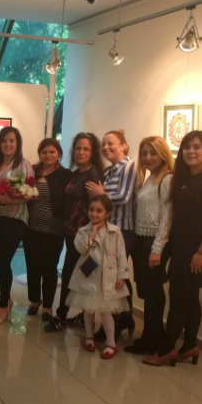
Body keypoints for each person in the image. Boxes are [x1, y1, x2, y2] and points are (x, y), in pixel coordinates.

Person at [144, 131, 202, 367]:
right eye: (187, 147)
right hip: (181, 247)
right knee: (190, 298)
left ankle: (167, 350)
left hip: (198, 250)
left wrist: (201, 252)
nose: (191, 151)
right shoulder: (184, 179)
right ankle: (190, 345)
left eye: (197, 147)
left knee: (179, 297)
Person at [45, 132, 104, 333]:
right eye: (78, 148)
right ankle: (82, 317)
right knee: (77, 275)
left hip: (84, 236)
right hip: (72, 234)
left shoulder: (92, 175)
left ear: (92, 152)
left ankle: (61, 315)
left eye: (86, 149)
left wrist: (92, 234)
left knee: (72, 274)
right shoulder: (77, 173)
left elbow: (97, 208)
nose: (81, 152)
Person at [86, 129, 137, 339]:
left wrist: (102, 193)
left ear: (123, 145)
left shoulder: (130, 166)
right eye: (104, 144)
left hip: (123, 230)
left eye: (111, 143)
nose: (106, 148)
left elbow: (124, 197)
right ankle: (119, 319)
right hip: (108, 229)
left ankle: (122, 319)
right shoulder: (109, 171)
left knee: (117, 275)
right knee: (109, 275)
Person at [125, 137, 174, 355]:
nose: (148, 157)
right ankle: (156, 334)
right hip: (141, 241)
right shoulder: (150, 178)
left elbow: (167, 217)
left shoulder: (167, 179)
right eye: (144, 153)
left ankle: (150, 339)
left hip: (153, 243)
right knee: (147, 291)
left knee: (153, 293)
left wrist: (157, 249)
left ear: (163, 154)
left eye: (153, 153)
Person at [67, 195, 130, 359]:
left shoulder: (115, 231)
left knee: (105, 312)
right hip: (88, 277)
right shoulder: (83, 231)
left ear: (107, 213)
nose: (94, 214)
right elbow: (81, 249)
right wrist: (92, 234)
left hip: (107, 279)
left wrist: (122, 275)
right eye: (92, 210)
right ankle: (89, 336)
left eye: (99, 211)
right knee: (88, 309)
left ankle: (111, 343)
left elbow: (121, 254)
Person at [0, 127, 34, 325]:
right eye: (4, 141)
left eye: (11, 141)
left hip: (15, 219)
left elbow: (29, 193)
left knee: (3, 260)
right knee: (0, 261)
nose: (7, 144)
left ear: (17, 143)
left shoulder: (24, 165)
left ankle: (2, 305)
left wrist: (9, 200)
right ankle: (7, 300)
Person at [23, 138, 72, 321]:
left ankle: (48, 306)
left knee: (49, 268)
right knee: (32, 266)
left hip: (54, 229)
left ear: (59, 154)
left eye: (52, 152)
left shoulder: (66, 175)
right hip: (31, 228)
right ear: (40, 154)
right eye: (44, 152)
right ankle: (34, 300)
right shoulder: (32, 172)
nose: (48, 155)